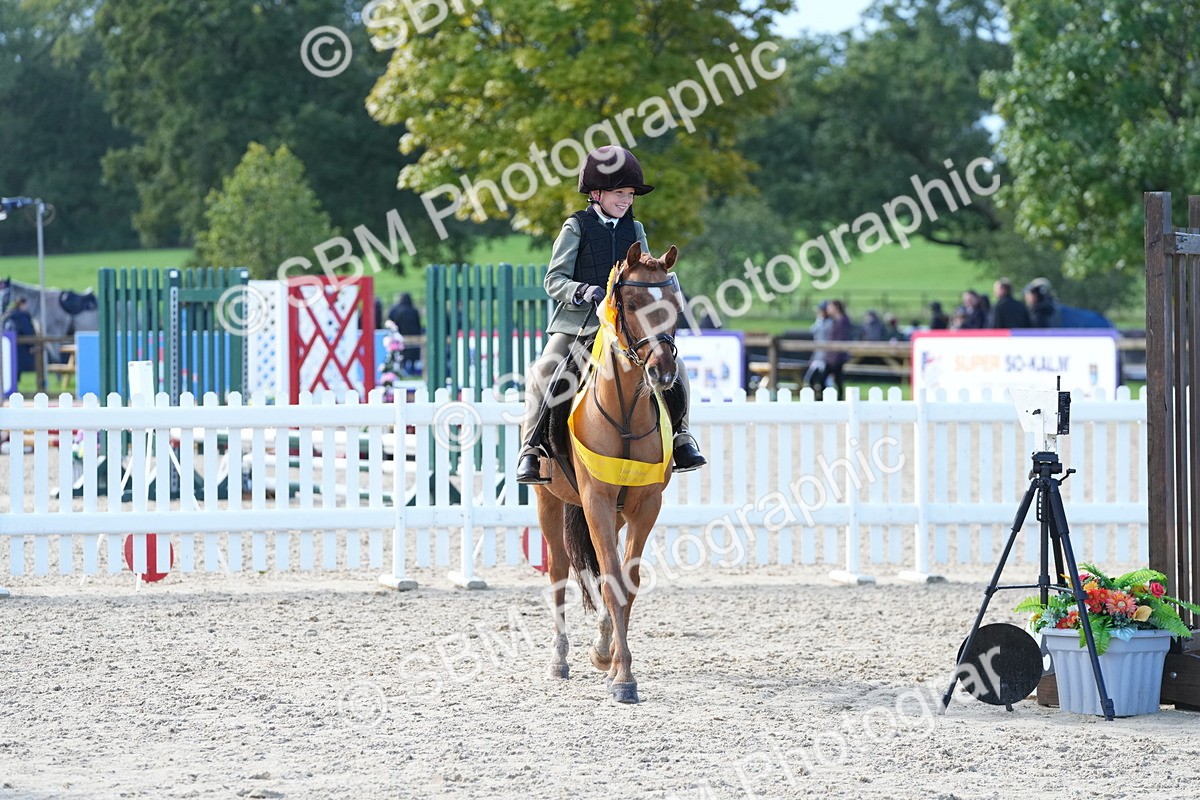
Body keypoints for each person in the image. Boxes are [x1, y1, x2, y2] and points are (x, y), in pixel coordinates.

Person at [516, 146, 705, 484]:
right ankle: (532, 448)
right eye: (620, 193)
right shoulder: (576, 226)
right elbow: (553, 280)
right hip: (579, 323)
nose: (626, 200)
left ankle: (681, 437)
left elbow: (645, 269)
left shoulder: (636, 229)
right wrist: (583, 290)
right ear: (597, 193)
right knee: (545, 370)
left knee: (676, 366)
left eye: (630, 194)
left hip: (625, 327)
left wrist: (660, 274)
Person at [387, 292, 423, 374]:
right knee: (413, 354)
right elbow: (418, 324)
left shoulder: (397, 310)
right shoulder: (414, 310)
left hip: (401, 336)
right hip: (414, 337)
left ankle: (403, 368)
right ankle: (412, 368)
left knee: (402, 353)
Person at [823, 299, 852, 400]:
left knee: (830, 379)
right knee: (837, 379)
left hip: (836, 356)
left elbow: (841, 339)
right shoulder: (836, 321)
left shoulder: (842, 321)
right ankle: (838, 398)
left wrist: (834, 356)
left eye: (830, 307)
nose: (828, 309)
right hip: (833, 355)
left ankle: (836, 398)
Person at [2, 297, 36, 375]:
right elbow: (27, 331)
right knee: (18, 368)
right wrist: (31, 345)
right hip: (21, 347)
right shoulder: (23, 316)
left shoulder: (9, 316)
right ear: (22, 304)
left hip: (8, 346)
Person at [804, 301, 831, 392]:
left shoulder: (830, 323)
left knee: (826, 382)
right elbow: (813, 331)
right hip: (818, 356)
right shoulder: (820, 322)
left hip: (826, 356)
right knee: (809, 380)